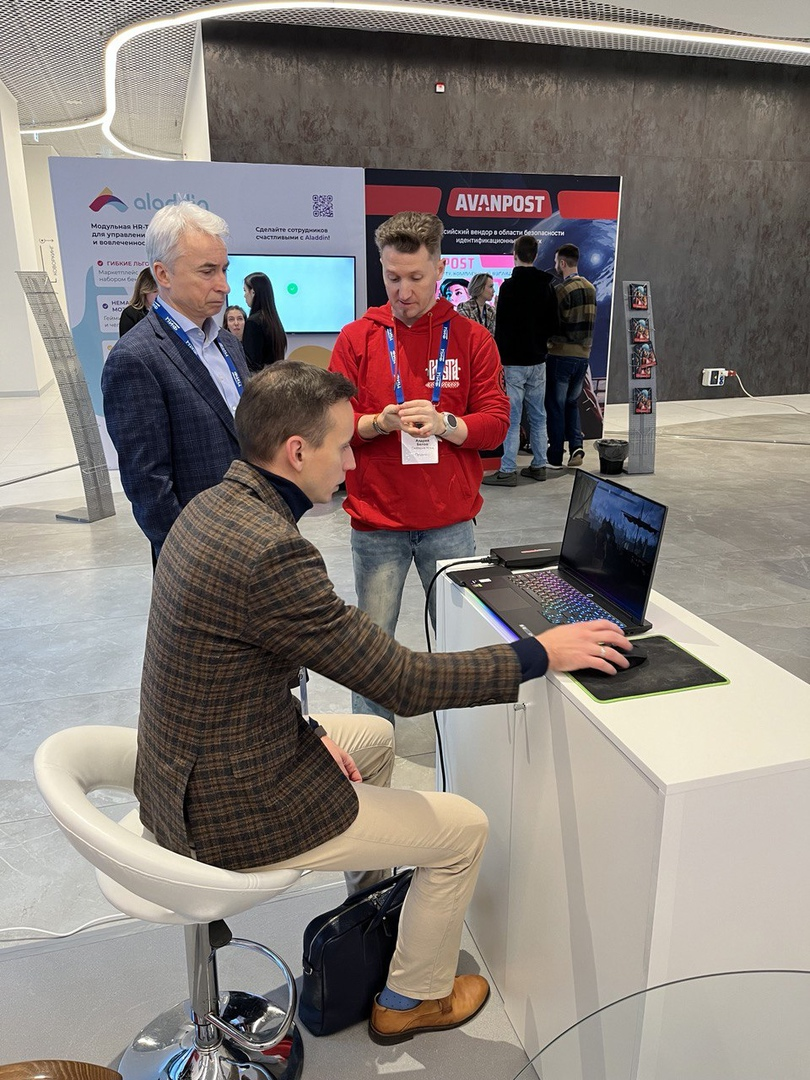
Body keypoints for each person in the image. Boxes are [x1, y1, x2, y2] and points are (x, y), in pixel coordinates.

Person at [134, 360, 632, 1046]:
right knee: (463, 831)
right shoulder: (271, 551)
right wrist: (540, 654)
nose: (352, 462)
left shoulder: (212, 506)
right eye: (343, 447)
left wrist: (309, 734)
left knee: (371, 742)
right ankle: (411, 998)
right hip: (227, 808)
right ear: (297, 451)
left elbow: (229, 673)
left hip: (185, 770)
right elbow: (401, 682)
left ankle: (369, 916)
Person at [328, 211, 510, 722]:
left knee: (457, 649)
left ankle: (462, 744)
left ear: (439, 270)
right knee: (370, 653)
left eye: (415, 277)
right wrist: (377, 422)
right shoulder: (356, 338)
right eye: (392, 277)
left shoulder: (472, 339)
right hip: (377, 522)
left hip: (449, 524)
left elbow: (496, 425)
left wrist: (447, 423)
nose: (403, 291)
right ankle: (371, 747)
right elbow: (331, 424)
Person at [101, 201, 249, 563]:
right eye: (208, 271)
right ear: (162, 274)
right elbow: (148, 485)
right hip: (198, 556)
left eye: (224, 270)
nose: (224, 285)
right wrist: (192, 558)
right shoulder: (135, 358)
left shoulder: (227, 343)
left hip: (253, 534)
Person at [485, 235, 558, 488]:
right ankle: (539, 465)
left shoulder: (508, 287)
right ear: (536, 255)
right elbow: (553, 324)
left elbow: (502, 327)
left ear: (514, 255)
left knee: (512, 418)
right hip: (538, 360)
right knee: (538, 416)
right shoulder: (547, 285)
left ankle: (507, 470)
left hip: (513, 362)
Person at [545, 244, 597, 469]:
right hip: (583, 358)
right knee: (572, 403)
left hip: (561, 355)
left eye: (557, 262)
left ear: (563, 263)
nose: (555, 266)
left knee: (556, 406)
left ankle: (556, 454)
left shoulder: (561, 290)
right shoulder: (591, 288)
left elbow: (553, 323)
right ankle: (577, 446)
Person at [242, 272, 287, 373]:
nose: (244, 295)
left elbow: (252, 364)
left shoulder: (253, 322)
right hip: (276, 377)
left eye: (245, 290)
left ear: (253, 292)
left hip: (261, 379)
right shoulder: (274, 321)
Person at [118, 267, 157, 337]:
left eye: (163, 291)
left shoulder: (169, 312)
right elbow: (127, 342)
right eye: (155, 291)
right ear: (144, 291)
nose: (160, 295)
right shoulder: (130, 314)